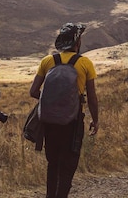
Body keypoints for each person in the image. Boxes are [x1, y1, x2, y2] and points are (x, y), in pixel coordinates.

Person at [29, 23, 99, 198]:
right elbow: (91, 96)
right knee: (68, 165)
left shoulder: (47, 61)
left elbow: (33, 91)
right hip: (73, 122)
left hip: (50, 122)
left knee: (53, 163)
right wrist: (95, 120)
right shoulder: (85, 63)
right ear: (77, 42)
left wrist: (52, 101)